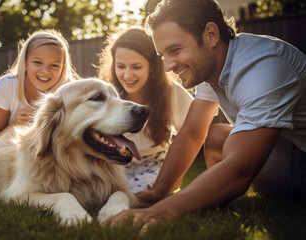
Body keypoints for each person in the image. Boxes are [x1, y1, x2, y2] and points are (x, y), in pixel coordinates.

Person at [109, 0, 306, 230]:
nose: (168, 66)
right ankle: (216, 198)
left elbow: (240, 168)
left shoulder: (263, 67)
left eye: (175, 50)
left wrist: (162, 211)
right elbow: (192, 133)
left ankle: (217, 192)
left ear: (211, 34)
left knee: (235, 158)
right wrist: (159, 192)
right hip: (291, 157)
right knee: (215, 137)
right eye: (163, 55)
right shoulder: (211, 66)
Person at [97, 27, 193, 193]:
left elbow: (192, 134)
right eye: (121, 66)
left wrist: (176, 175)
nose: (127, 75)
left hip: (155, 166)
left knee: (137, 194)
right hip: (115, 166)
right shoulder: (106, 95)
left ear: (152, 67)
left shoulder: (170, 93)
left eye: (136, 67)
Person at [0, 29, 78, 142]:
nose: (45, 71)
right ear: (25, 63)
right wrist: (15, 125)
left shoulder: (69, 93)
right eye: (37, 62)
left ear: (63, 68)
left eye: (54, 65)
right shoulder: (7, 86)